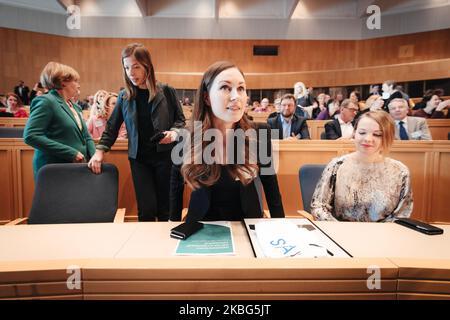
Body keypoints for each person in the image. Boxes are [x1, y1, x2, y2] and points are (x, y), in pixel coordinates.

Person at [170, 61, 285, 222]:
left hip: (248, 224)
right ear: (206, 97)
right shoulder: (188, 136)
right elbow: (176, 185)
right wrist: (172, 222)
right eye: (225, 87)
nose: (235, 96)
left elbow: (271, 187)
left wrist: (280, 224)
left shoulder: (260, 133)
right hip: (200, 225)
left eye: (241, 88)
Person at [88, 43, 185, 222]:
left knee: (166, 210)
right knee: (146, 210)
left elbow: (181, 121)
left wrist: (173, 132)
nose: (131, 73)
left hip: (166, 158)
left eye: (136, 67)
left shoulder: (167, 91)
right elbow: (112, 128)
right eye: (126, 67)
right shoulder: (124, 97)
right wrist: (99, 151)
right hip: (139, 160)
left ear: (147, 66)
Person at [311, 111, 413, 222]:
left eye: (377, 134)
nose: (368, 139)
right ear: (354, 133)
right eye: (362, 132)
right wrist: (339, 230)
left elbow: (403, 213)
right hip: (340, 234)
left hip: (383, 236)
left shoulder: (400, 171)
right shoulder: (337, 165)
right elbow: (319, 206)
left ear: (387, 137)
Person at [23, 62, 96, 178]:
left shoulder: (75, 107)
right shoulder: (46, 101)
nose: (79, 85)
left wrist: (94, 157)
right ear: (63, 82)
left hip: (77, 167)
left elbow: (86, 137)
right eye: (75, 81)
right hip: (54, 167)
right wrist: (71, 153)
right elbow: (31, 135)